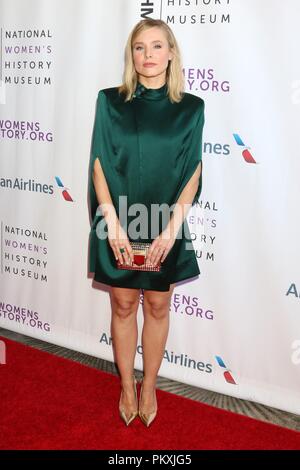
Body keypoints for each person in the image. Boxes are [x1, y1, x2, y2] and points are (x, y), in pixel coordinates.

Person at [88, 18, 205, 427]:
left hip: (164, 221)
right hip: (116, 218)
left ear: (171, 53)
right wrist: (112, 224)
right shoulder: (109, 101)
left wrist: (172, 229)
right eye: (140, 47)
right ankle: (125, 385)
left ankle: (149, 385)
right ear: (131, 55)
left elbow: (192, 172)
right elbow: (99, 164)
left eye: (157, 46)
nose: (148, 55)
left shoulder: (191, 109)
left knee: (157, 304)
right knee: (122, 304)